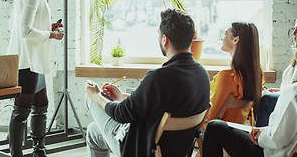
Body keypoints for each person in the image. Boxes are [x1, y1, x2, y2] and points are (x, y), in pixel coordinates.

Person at [84, 9, 210, 157]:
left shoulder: (158, 77)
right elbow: (154, 106)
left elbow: (120, 114)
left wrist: (97, 95)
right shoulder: (202, 74)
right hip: (177, 150)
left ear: (165, 39)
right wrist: (122, 96)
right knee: (93, 132)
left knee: (90, 96)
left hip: (141, 148)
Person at [6, 0, 64, 157]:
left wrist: (49, 27)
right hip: (26, 63)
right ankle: (17, 154)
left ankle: (40, 151)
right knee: (22, 112)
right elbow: (24, 30)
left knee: (41, 105)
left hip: (33, 61)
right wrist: (52, 35)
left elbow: (18, 26)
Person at [202, 82, 297, 157]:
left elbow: (278, 139)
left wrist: (259, 137)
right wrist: (263, 129)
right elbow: (287, 130)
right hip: (280, 145)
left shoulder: (293, 92)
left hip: (271, 152)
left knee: (213, 127)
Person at [203, 22, 263, 129]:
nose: (222, 38)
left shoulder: (226, 77)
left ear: (235, 40)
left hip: (214, 135)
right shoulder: (256, 74)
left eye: (225, 34)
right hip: (236, 132)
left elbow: (210, 118)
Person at [256, 19, 297, 127]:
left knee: (266, 100)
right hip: (287, 104)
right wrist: (278, 91)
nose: (293, 33)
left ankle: (257, 141)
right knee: (260, 96)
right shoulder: (293, 63)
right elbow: (289, 89)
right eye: (294, 29)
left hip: (291, 110)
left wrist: (272, 95)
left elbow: (294, 96)